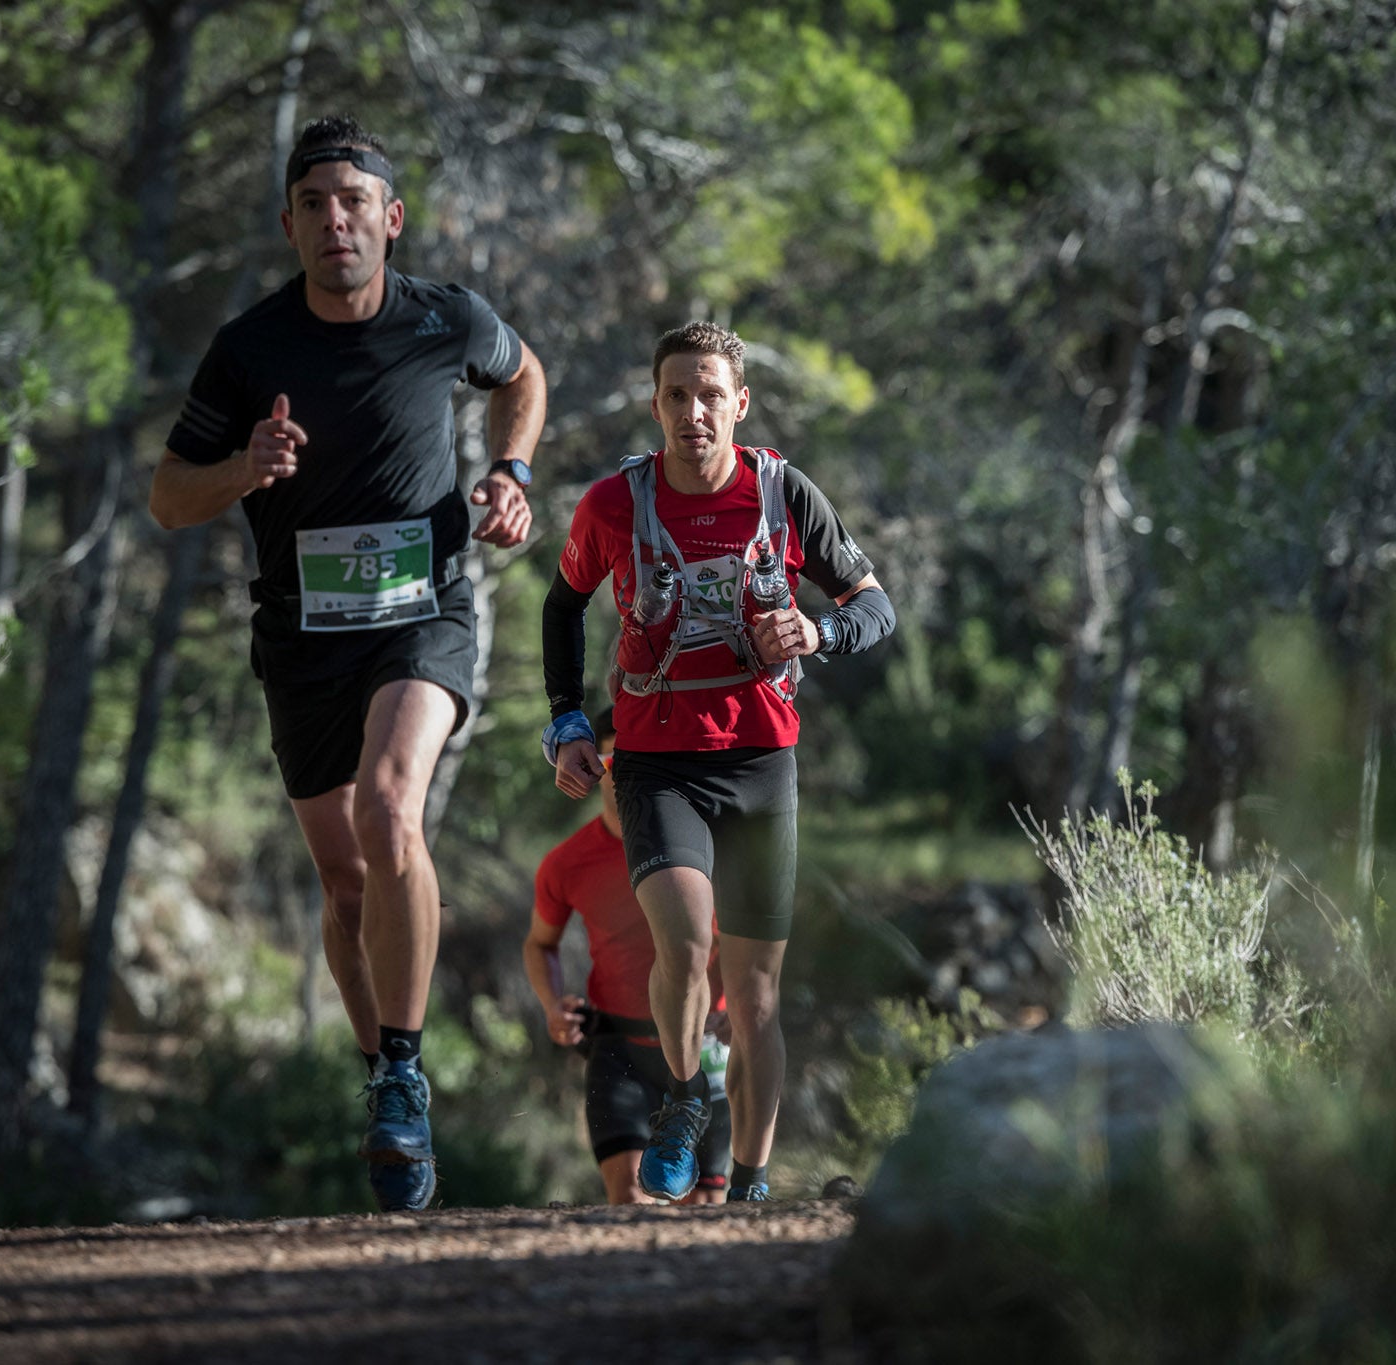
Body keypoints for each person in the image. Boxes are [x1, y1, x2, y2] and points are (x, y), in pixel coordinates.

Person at [149, 115, 547, 1212]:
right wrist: (242, 466)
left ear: (390, 218)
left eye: (354, 200)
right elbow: (166, 496)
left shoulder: (444, 318)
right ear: (290, 225)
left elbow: (523, 378)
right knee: (343, 883)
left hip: (422, 615)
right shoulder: (249, 349)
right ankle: (380, 1074)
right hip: (300, 638)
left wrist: (511, 475)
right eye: (314, 203)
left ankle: (407, 1073)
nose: (336, 219)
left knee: (389, 811)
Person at [539, 321, 895, 1203]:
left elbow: (875, 603)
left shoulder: (783, 494)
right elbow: (562, 605)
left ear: (740, 402)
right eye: (675, 395)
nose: (692, 412)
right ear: (655, 403)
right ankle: (689, 1092)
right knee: (688, 943)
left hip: (762, 762)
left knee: (760, 993)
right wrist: (565, 722)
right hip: (655, 763)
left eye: (709, 394)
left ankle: (750, 1184)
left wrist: (821, 628)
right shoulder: (614, 504)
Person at [524, 707, 732, 1205]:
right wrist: (553, 1004)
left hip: (705, 1043)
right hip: (618, 1047)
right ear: (593, 763)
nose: (627, 768)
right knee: (629, 1196)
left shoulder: (706, 848)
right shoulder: (566, 862)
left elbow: (745, 941)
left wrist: (738, 1005)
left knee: (706, 1206)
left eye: (640, 755)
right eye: (615, 758)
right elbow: (540, 944)